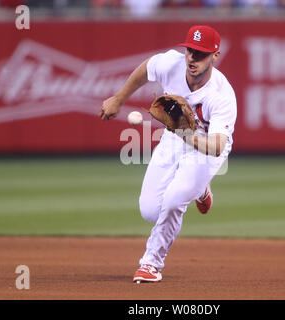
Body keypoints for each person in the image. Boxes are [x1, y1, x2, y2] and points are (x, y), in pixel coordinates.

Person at [99, 25, 237, 282]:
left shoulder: (222, 95)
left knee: (174, 200)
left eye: (201, 53)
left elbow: (217, 146)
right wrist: (118, 99)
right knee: (150, 211)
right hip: (175, 139)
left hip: (207, 148)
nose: (192, 58)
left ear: (215, 55)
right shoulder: (171, 64)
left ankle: (151, 263)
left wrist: (185, 134)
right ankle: (200, 189)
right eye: (190, 50)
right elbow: (145, 69)